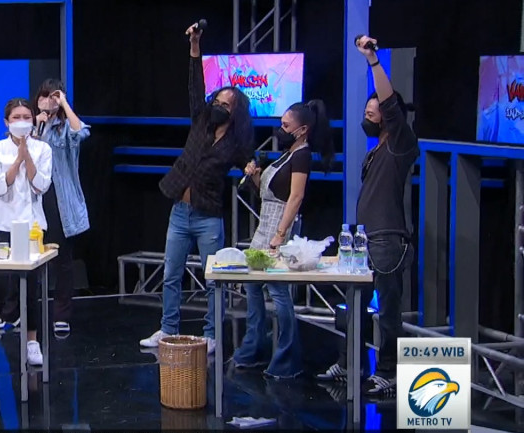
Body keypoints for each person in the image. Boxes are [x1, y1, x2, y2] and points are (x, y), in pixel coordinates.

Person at [141, 22, 254, 353]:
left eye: (225, 104)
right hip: (180, 211)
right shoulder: (201, 120)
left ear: (235, 112)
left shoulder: (237, 142)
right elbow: (195, 85)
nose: (218, 105)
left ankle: (211, 334)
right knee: (171, 274)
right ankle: (167, 329)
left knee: (213, 279)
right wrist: (195, 46)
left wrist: (252, 169)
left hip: (208, 217)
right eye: (216, 100)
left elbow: (250, 166)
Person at [317, 35, 419, 395]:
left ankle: (389, 372)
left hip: (388, 242)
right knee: (353, 308)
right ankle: (349, 365)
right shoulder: (376, 151)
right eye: (366, 113)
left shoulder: (401, 144)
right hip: (364, 241)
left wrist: (373, 61)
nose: (368, 116)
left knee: (388, 313)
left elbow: (390, 104)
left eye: (372, 113)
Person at [232, 100, 334, 379]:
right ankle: (253, 347)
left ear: (302, 130)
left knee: (277, 291)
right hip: (263, 228)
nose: (281, 129)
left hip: (279, 230)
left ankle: (288, 359)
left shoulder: (302, 156)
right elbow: (268, 193)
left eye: (286, 126)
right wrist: (255, 176)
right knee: (252, 287)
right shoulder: (286, 155)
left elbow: (295, 197)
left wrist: (279, 235)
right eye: (281, 124)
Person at [0, 79, 90, 336]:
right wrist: (32, 128)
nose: (47, 101)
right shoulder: (30, 126)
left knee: (62, 260)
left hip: (59, 201)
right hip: (31, 200)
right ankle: (14, 312)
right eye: (44, 96)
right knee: (23, 257)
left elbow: (81, 133)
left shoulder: (64, 127)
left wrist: (64, 104)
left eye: (53, 97)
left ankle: (61, 315)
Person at [0, 98, 52, 375]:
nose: (22, 121)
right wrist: (17, 158)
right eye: (16, 117)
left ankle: (32, 342)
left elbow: (41, 185)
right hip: (1, 224)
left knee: (30, 288)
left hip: (32, 226)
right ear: (6, 122)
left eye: (26, 117)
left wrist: (27, 155)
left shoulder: (43, 149)